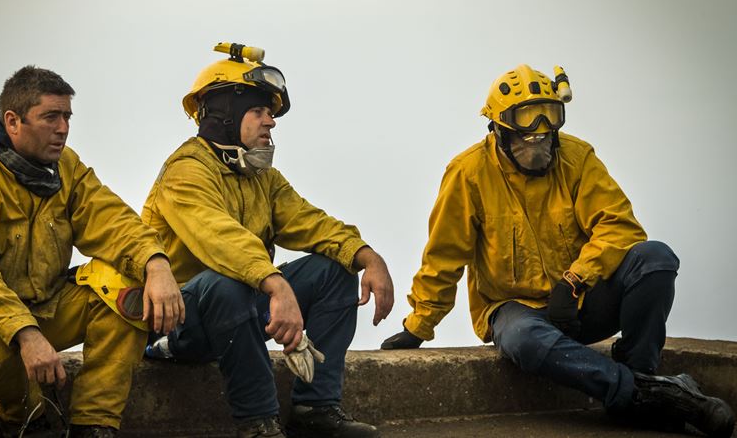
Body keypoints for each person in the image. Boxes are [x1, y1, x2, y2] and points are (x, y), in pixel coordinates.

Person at [381, 64, 735, 437]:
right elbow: (444, 256)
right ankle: (649, 394)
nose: (538, 139)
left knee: (655, 259)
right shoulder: (468, 173)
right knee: (522, 339)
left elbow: (619, 225)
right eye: (526, 129)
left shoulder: (577, 157)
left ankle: (639, 373)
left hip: (578, 299)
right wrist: (419, 326)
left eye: (547, 124)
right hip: (516, 310)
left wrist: (575, 281)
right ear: (499, 128)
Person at [0, 66, 184, 438]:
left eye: (67, 116)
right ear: (13, 121)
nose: (63, 128)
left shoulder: (66, 167)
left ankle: (94, 424)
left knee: (127, 299)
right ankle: (33, 425)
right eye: (50, 117)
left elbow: (112, 221)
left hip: (44, 305)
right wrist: (25, 333)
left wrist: (156, 263)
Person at [141, 43, 394, 438]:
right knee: (227, 283)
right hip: (180, 323)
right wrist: (276, 284)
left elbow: (308, 221)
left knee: (334, 269)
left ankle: (316, 408)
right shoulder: (185, 170)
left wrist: (366, 256)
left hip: (239, 307)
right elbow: (220, 240)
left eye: (270, 113)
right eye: (259, 111)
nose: (270, 122)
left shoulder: (261, 177)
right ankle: (258, 423)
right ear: (224, 112)